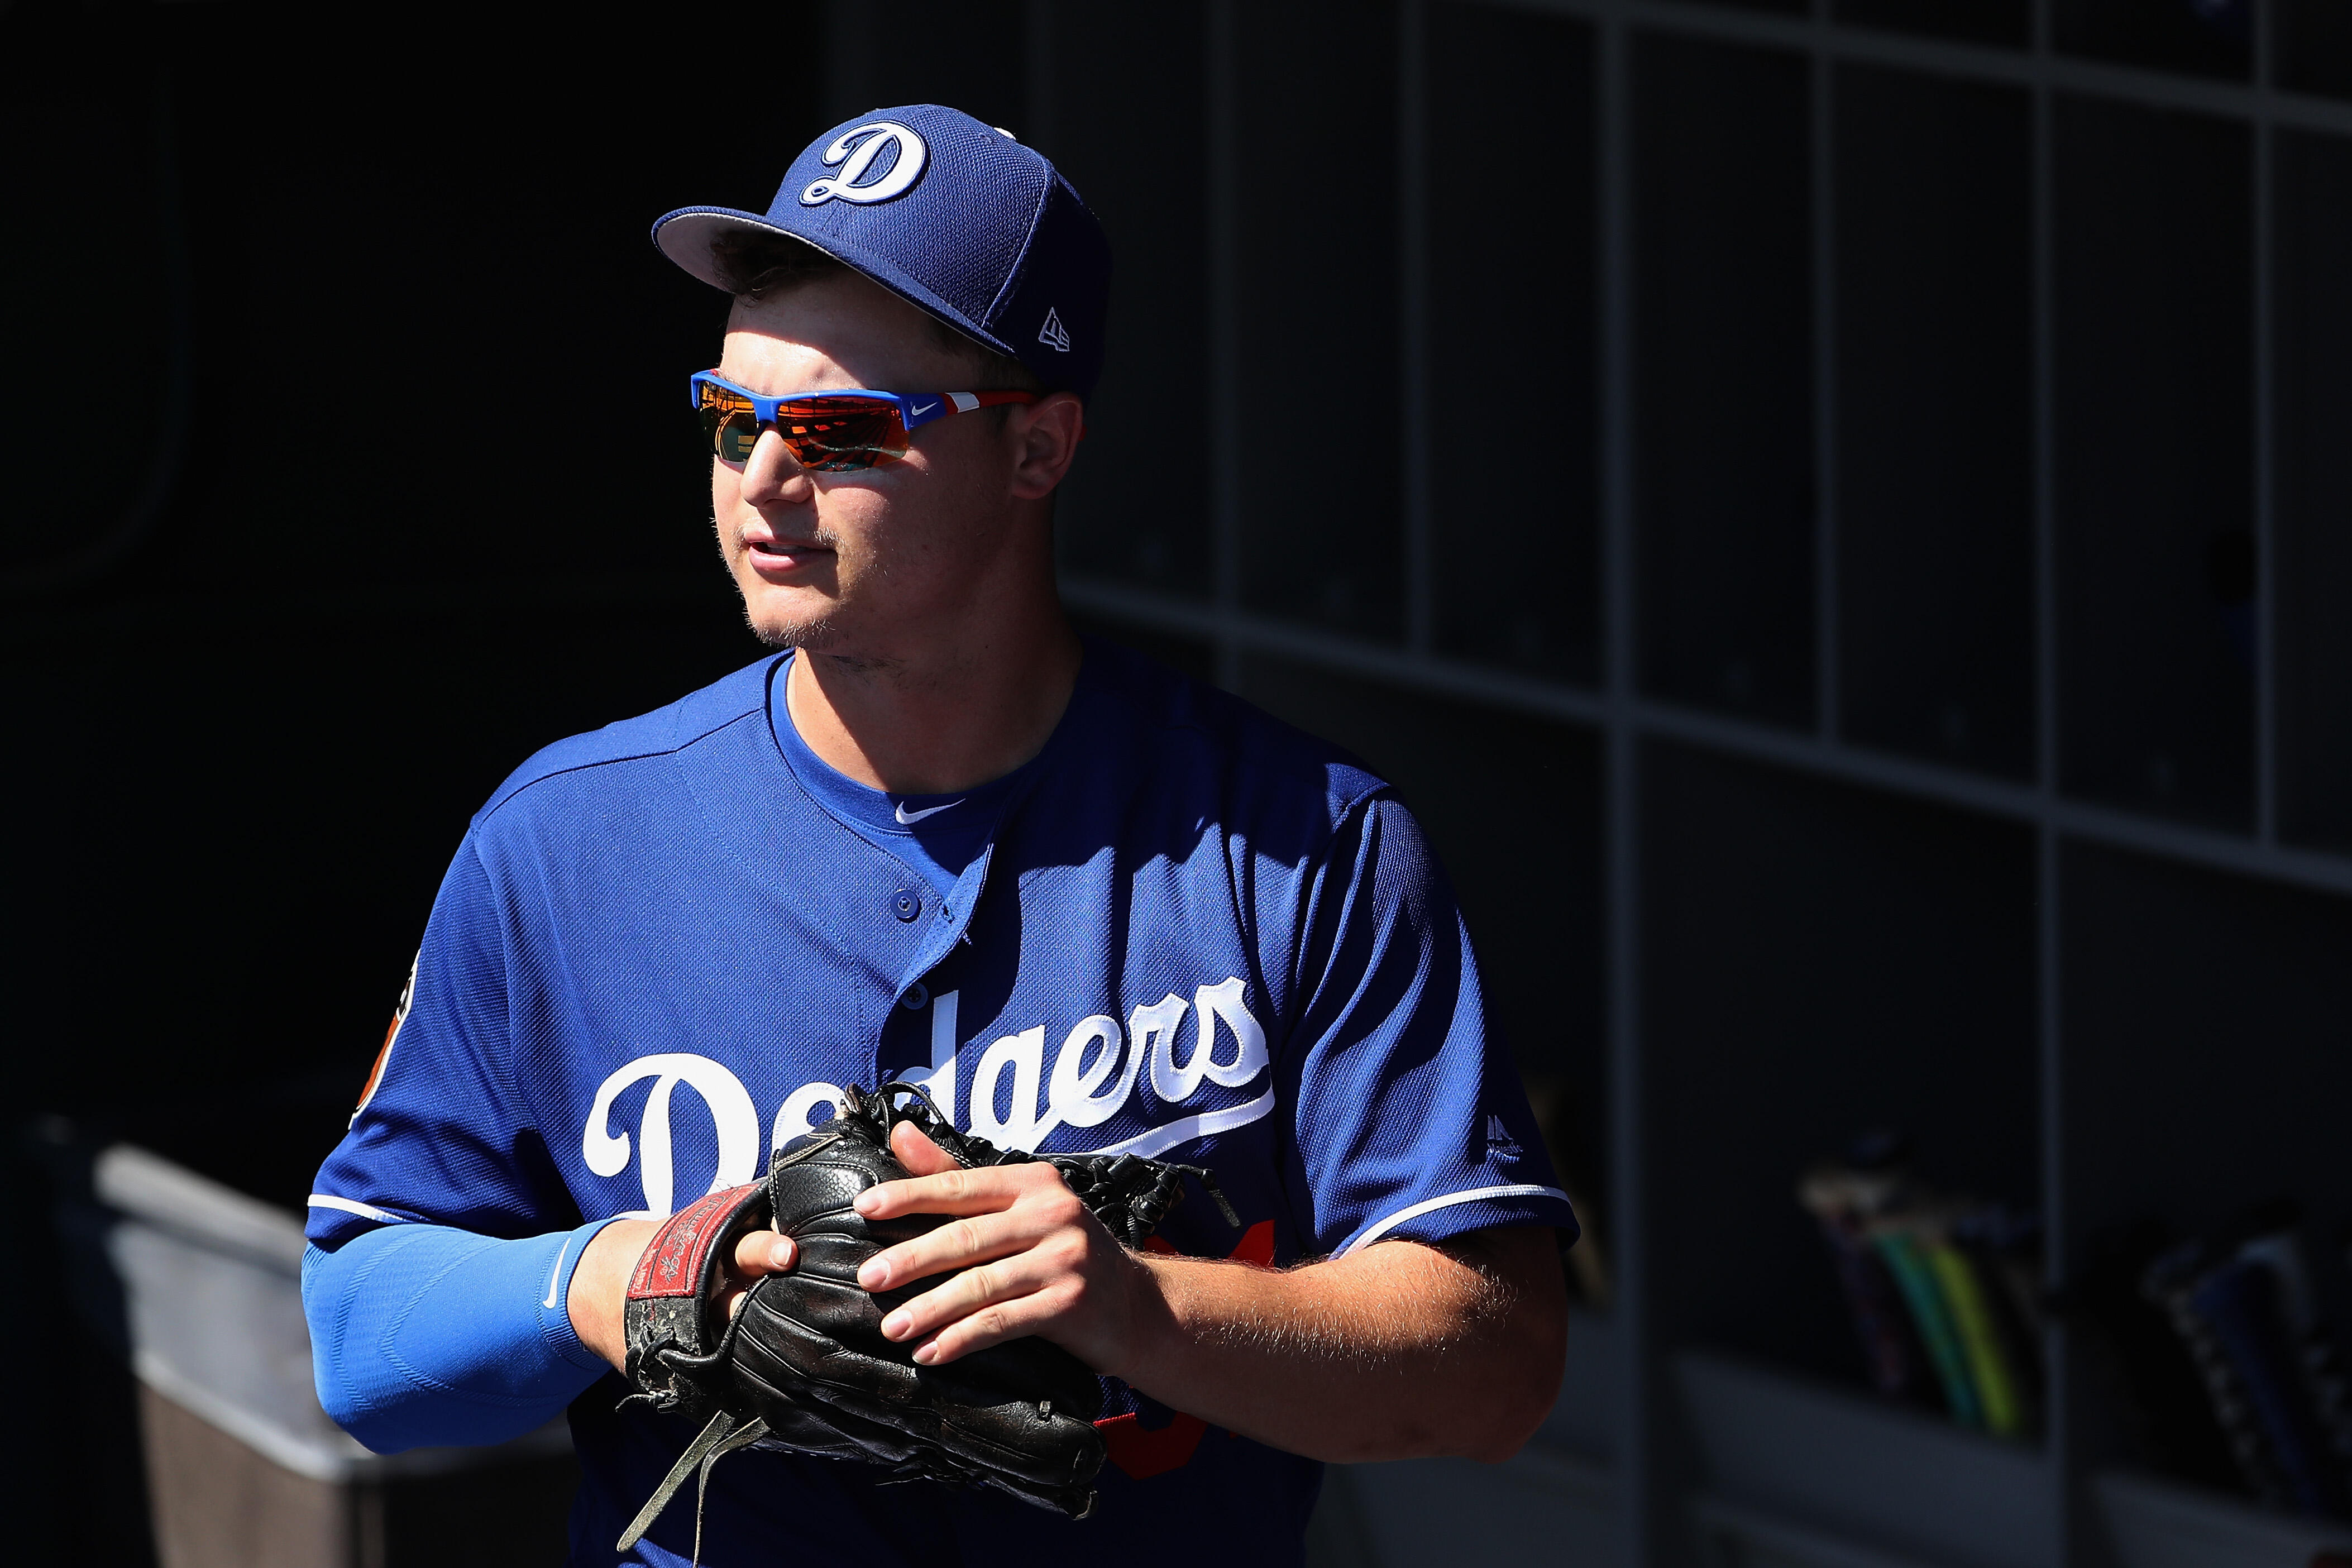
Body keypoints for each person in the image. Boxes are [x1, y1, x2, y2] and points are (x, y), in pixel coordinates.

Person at [302, 104, 1575, 1567]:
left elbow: (1496, 1368)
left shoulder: (1301, 844)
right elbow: (359, 1340)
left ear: (1037, 449)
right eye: (733, 419)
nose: (765, 480)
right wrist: (631, 1278)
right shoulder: (567, 842)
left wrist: (1139, 1308)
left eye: (844, 430)